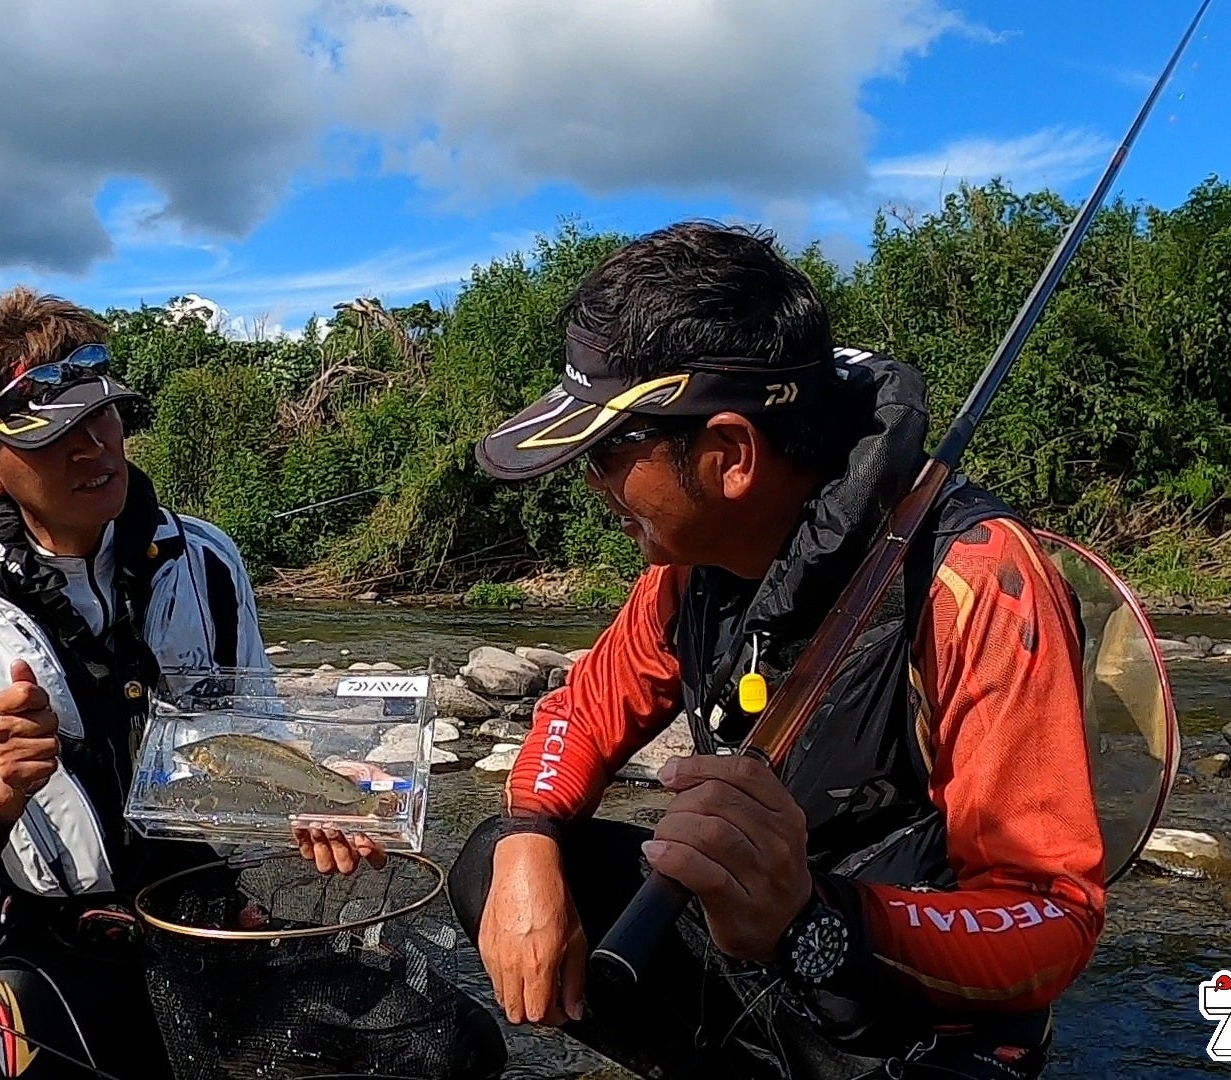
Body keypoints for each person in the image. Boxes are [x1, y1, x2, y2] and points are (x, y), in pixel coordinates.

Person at [449, 223, 1106, 1080]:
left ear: (729, 455)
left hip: (908, 1008)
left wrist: (811, 916)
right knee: (490, 868)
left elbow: (1053, 920)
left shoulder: (974, 582)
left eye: (610, 450)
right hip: (760, 944)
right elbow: (583, 711)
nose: (592, 482)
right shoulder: (691, 567)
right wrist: (528, 838)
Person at [0, 287, 274, 1079]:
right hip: (47, 948)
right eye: (54, 437)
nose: (95, 450)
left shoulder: (212, 566)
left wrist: (329, 808)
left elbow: (264, 750)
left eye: (103, 416)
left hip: (201, 922)